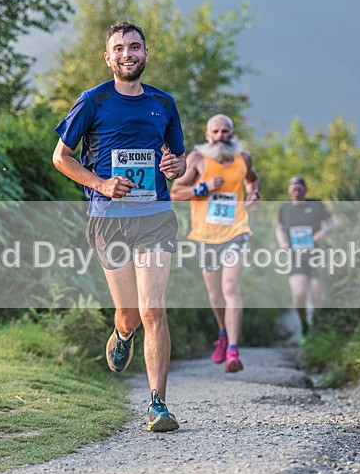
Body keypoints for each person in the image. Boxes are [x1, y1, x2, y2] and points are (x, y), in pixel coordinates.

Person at [52, 22, 186, 432]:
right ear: (108, 58)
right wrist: (102, 183)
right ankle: (121, 332)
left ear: (146, 53)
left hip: (155, 217)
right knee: (129, 314)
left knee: (153, 309)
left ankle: (157, 403)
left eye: (135, 47)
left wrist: (174, 167)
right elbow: (61, 158)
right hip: (108, 221)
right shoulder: (93, 100)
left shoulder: (164, 103)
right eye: (119, 48)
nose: (128, 54)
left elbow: (178, 161)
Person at [171, 114, 260, 373]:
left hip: (236, 231)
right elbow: (175, 192)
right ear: (208, 135)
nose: (221, 136)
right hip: (206, 236)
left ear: (232, 134)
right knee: (214, 294)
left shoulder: (244, 157)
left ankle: (233, 350)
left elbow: (252, 179)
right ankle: (222, 333)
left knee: (230, 287)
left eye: (225, 131)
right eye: (216, 132)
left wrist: (254, 193)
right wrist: (203, 188)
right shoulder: (198, 159)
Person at [275, 176, 337, 343]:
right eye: (293, 188)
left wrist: (321, 233)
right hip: (296, 259)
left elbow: (333, 222)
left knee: (316, 296)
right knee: (299, 294)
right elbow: (279, 228)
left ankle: (316, 324)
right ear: (289, 190)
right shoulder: (285, 209)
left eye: (299, 188)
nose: (296, 192)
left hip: (316, 257)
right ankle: (304, 325)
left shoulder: (316, 205)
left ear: (305, 190)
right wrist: (283, 243)